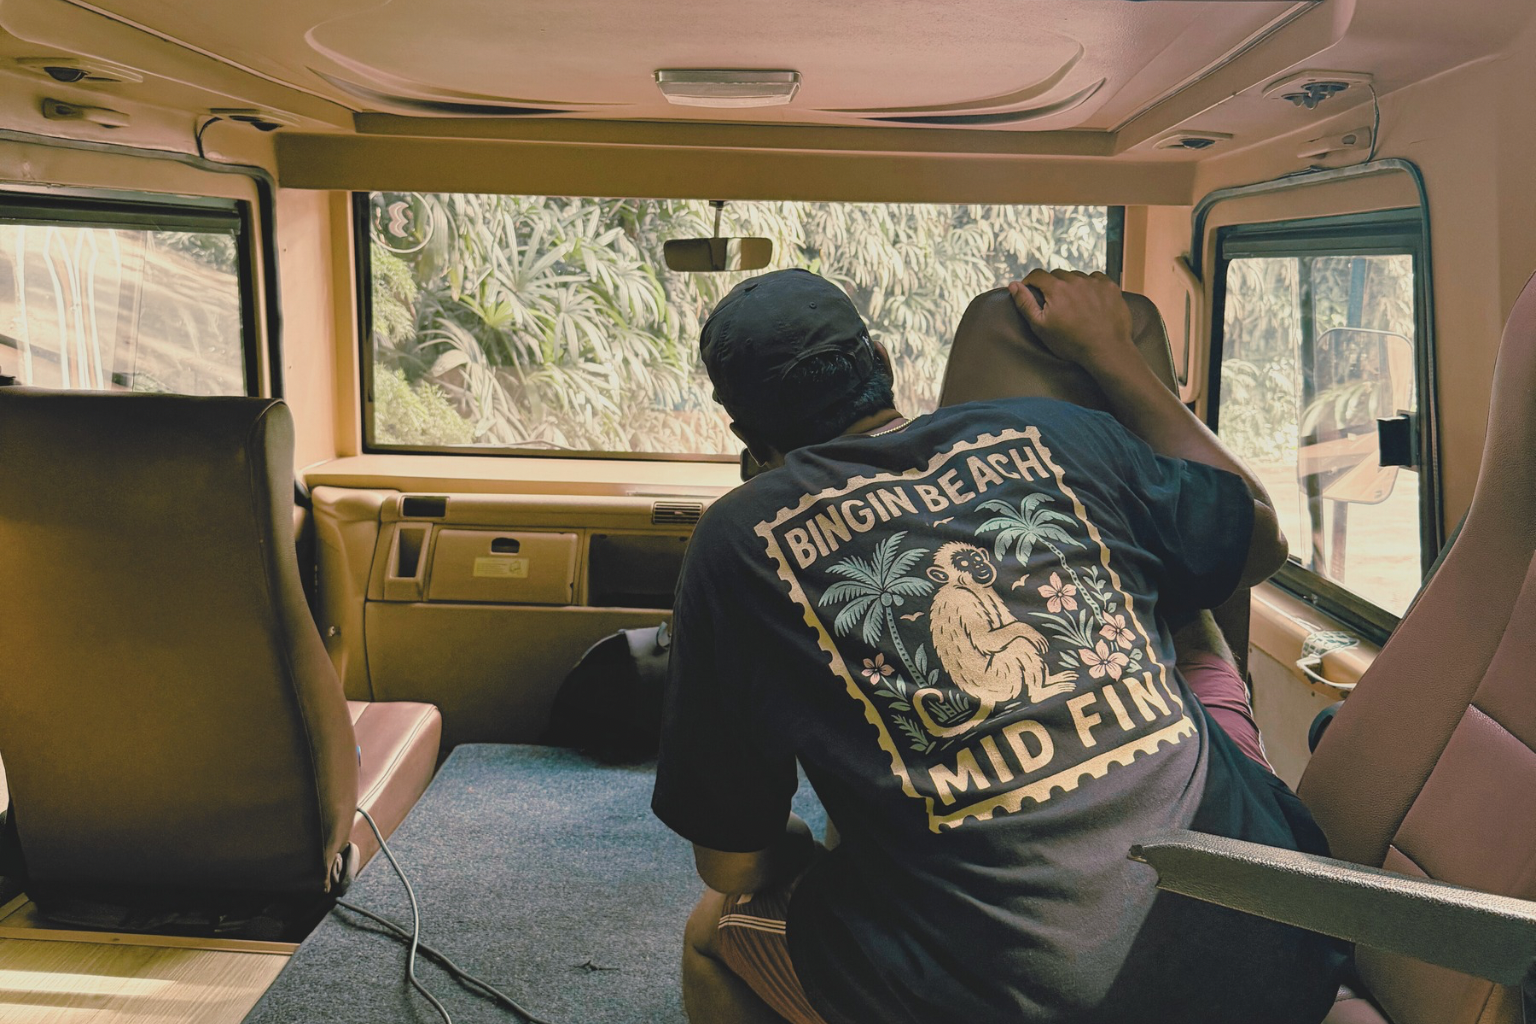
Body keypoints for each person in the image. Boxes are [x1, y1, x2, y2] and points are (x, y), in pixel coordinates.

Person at [652, 267, 1347, 1024]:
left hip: (1010, 1000)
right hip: (1284, 948)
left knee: (712, 932)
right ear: (882, 361)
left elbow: (731, 861)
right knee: (1189, 616)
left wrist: (809, 859)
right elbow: (1261, 538)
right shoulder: (1058, 431)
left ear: (744, 436)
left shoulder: (735, 540)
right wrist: (1115, 353)